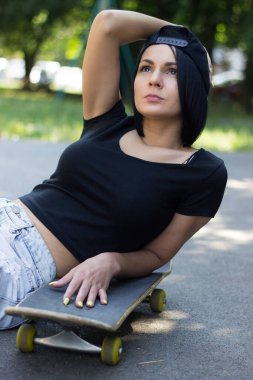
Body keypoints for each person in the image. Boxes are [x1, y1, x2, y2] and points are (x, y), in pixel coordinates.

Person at [0, 10, 227, 330]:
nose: (154, 78)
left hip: (23, 264)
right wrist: (177, 33)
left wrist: (112, 261)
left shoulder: (204, 173)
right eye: (146, 67)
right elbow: (107, 24)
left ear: (193, 82)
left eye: (172, 71)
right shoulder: (106, 122)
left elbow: (157, 253)